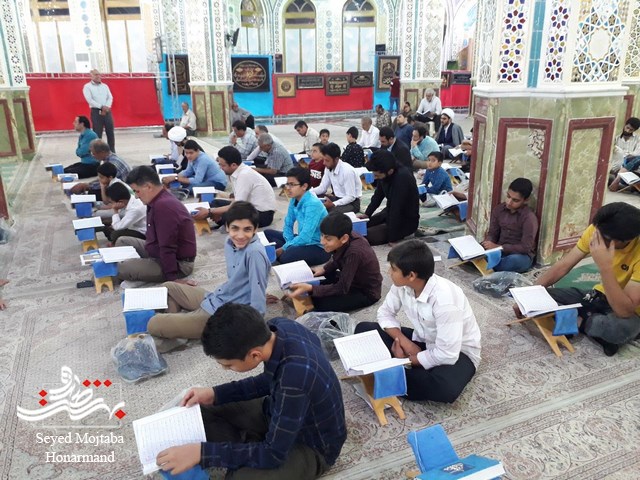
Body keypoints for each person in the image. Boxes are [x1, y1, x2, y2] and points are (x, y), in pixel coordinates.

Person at [155, 303, 346, 478]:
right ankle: (249, 449)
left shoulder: (293, 380)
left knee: (240, 477)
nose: (225, 369)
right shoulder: (279, 327)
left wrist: (202, 453)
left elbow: (273, 455)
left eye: (228, 365)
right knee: (204, 406)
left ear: (254, 355)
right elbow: (267, 380)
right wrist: (214, 393)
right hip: (279, 411)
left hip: (311, 446)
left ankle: (248, 450)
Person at [354, 240, 481, 402]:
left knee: (444, 388)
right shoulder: (401, 285)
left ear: (411, 275)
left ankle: (388, 372)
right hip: (424, 340)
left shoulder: (445, 301)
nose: (389, 272)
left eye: (393, 269)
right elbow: (385, 314)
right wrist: (405, 343)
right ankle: (397, 375)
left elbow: (447, 354)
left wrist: (406, 360)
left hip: (458, 353)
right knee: (364, 329)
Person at [148, 202, 271, 344]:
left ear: (256, 229)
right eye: (235, 228)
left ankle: (178, 331)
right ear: (227, 227)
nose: (240, 235)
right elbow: (242, 282)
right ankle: (178, 333)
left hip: (225, 316)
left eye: (247, 229)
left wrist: (254, 326)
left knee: (154, 323)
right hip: (218, 297)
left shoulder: (254, 253)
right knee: (168, 287)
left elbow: (257, 293)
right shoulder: (229, 242)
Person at [533, 202, 640, 356]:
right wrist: (529, 294)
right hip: (597, 296)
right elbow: (564, 265)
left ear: (625, 240)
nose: (597, 238)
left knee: (622, 328)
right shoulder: (598, 230)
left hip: (626, 311)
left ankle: (578, 321)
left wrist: (605, 267)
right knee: (542, 297)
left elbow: (624, 311)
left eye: (604, 238)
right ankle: (592, 326)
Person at [116, 166, 196, 285]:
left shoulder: (163, 206)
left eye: (137, 191)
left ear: (148, 186)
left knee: (121, 267)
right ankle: (141, 269)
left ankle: (136, 271)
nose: (136, 196)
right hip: (156, 251)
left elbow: (168, 246)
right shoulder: (157, 199)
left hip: (178, 263)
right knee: (122, 241)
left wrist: (173, 279)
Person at [288, 212, 382, 312]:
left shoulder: (354, 252)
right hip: (351, 279)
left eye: (328, 239)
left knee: (320, 303)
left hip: (365, 291)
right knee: (317, 277)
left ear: (344, 238)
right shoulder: (345, 236)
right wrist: (324, 269)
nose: (322, 242)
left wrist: (311, 288)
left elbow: (342, 287)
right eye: (322, 235)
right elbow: (338, 258)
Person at [192, 146, 276, 228]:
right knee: (215, 203)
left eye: (223, 165)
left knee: (225, 214)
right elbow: (237, 200)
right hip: (248, 207)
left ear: (233, 165)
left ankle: (220, 219)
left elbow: (237, 205)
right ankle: (219, 219)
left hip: (262, 215)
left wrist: (210, 211)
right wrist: (215, 211)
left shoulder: (244, 175)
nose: (220, 168)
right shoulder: (236, 173)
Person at [264, 167, 330, 265]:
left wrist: (284, 248)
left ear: (304, 186)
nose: (288, 188)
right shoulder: (294, 199)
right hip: (303, 240)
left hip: (318, 246)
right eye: (287, 184)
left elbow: (306, 236)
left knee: (285, 256)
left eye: (292, 184)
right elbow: (288, 223)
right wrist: (288, 244)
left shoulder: (313, 204)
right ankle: (287, 250)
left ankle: (285, 253)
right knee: (268, 233)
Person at [480, 178, 538, 272]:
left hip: (520, 256)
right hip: (498, 251)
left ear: (526, 200)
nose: (509, 202)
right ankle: (489, 263)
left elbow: (525, 247)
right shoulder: (499, 209)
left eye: (515, 200)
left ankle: (488, 264)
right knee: (476, 250)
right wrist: (488, 243)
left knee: (512, 261)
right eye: (508, 196)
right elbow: (493, 233)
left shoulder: (529, 218)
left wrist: (499, 247)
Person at [363, 150, 420, 246]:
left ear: (390, 171)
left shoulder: (402, 177)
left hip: (405, 221)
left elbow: (397, 208)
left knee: (365, 236)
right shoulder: (384, 173)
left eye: (377, 175)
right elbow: (378, 196)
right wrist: (367, 214)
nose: (375, 177)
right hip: (388, 213)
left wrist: (392, 238)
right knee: (361, 227)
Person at [311, 143, 362, 214]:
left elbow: (351, 197)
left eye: (327, 160)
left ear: (336, 159)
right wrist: (307, 192)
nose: (324, 163)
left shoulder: (347, 171)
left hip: (352, 203)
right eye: (323, 160)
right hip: (337, 198)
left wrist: (333, 204)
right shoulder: (328, 167)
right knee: (313, 200)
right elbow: (322, 188)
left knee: (330, 213)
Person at [162, 139, 227, 192]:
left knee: (192, 188)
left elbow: (197, 181)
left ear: (197, 151)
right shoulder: (192, 158)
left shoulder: (203, 159)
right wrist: (173, 177)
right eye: (186, 153)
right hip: (205, 179)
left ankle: (177, 191)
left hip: (217, 183)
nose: (188, 156)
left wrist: (176, 178)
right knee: (181, 182)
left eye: (191, 153)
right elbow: (187, 172)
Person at [82, 69, 115, 152]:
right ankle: (98, 152)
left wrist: (107, 106)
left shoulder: (105, 86)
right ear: (91, 76)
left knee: (110, 132)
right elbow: (90, 100)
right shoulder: (87, 87)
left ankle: (112, 151)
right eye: (96, 75)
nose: (98, 76)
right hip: (96, 112)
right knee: (97, 133)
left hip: (107, 111)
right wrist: (101, 107)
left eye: (99, 74)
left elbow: (110, 97)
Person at [609, 117, 640, 191]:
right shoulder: (616, 138)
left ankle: (618, 178)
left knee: (637, 158)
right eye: (627, 128)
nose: (628, 131)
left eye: (631, 130)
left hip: (631, 163)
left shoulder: (638, 139)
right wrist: (623, 154)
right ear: (625, 125)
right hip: (617, 163)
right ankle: (619, 177)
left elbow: (637, 153)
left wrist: (625, 155)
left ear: (634, 130)